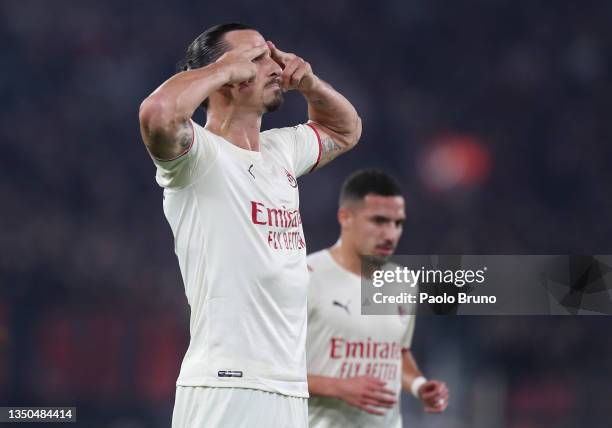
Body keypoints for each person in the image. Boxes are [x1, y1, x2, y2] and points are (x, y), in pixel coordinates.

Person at [138, 23, 361, 427]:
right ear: (226, 73)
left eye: (272, 56)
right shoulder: (198, 157)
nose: (274, 66)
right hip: (228, 385)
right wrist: (221, 70)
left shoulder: (281, 150)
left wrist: (309, 83)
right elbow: (157, 113)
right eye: (256, 59)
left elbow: (345, 129)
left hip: (288, 386)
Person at [306, 169, 448, 427]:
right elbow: (265, 368)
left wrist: (419, 385)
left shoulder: (403, 282)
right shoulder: (305, 277)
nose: (391, 234)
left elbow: (397, 353)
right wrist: (337, 387)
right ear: (345, 217)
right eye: (379, 221)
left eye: (398, 223)